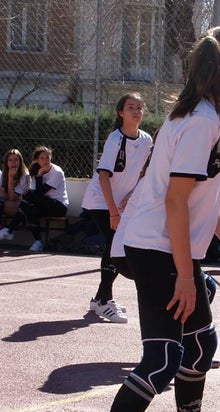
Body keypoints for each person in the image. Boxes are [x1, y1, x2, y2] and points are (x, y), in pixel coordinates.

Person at [81, 26, 220, 412]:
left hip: (160, 244)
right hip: (155, 248)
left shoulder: (195, 116)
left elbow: (198, 195)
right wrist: (185, 274)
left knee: (202, 344)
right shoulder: (201, 122)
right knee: (162, 360)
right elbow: (177, 203)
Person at [81, 93, 154, 323]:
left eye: (139, 107)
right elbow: (103, 177)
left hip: (121, 202)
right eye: (130, 107)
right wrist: (113, 211)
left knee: (115, 246)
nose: (136, 110)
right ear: (120, 113)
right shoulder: (115, 139)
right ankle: (104, 300)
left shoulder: (146, 140)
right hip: (101, 200)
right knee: (115, 245)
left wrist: (130, 197)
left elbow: (143, 174)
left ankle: (100, 299)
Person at [0, 145, 68, 252]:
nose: (45, 161)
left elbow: (40, 192)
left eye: (47, 158)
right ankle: (38, 242)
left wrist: (40, 175)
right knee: (29, 209)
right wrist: (37, 174)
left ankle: (10, 230)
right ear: (37, 160)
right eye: (42, 158)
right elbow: (35, 193)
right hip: (41, 204)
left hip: (58, 206)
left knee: (28, 197)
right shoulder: (35, 170)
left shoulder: (57, 172)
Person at [0, 149, 31, 249]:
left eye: (16, 160)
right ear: (6, 162)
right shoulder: (4, 173)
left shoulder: (25, 175)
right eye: (10, 160)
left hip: (18, 207)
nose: (13, 162)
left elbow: (13, 197)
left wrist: (11, 178)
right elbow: (0, 191)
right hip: (6, 203)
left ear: (20, 162)